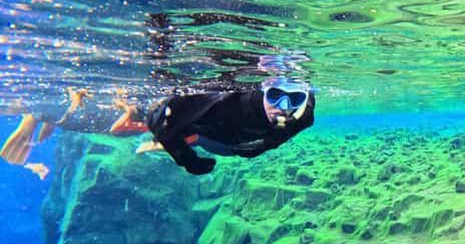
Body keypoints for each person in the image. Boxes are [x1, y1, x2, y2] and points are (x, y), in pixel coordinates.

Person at [112, 76, 315, 175]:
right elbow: (162, 124)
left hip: (235, 145)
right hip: (209, 134)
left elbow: (290, 128)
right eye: (275, 96)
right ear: (263, 89)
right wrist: (188, 161)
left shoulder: (303, 116)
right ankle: (160, 138)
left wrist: (268, 144)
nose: (284, 107)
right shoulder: (224, 99)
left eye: (295, 99)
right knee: (174, 128)